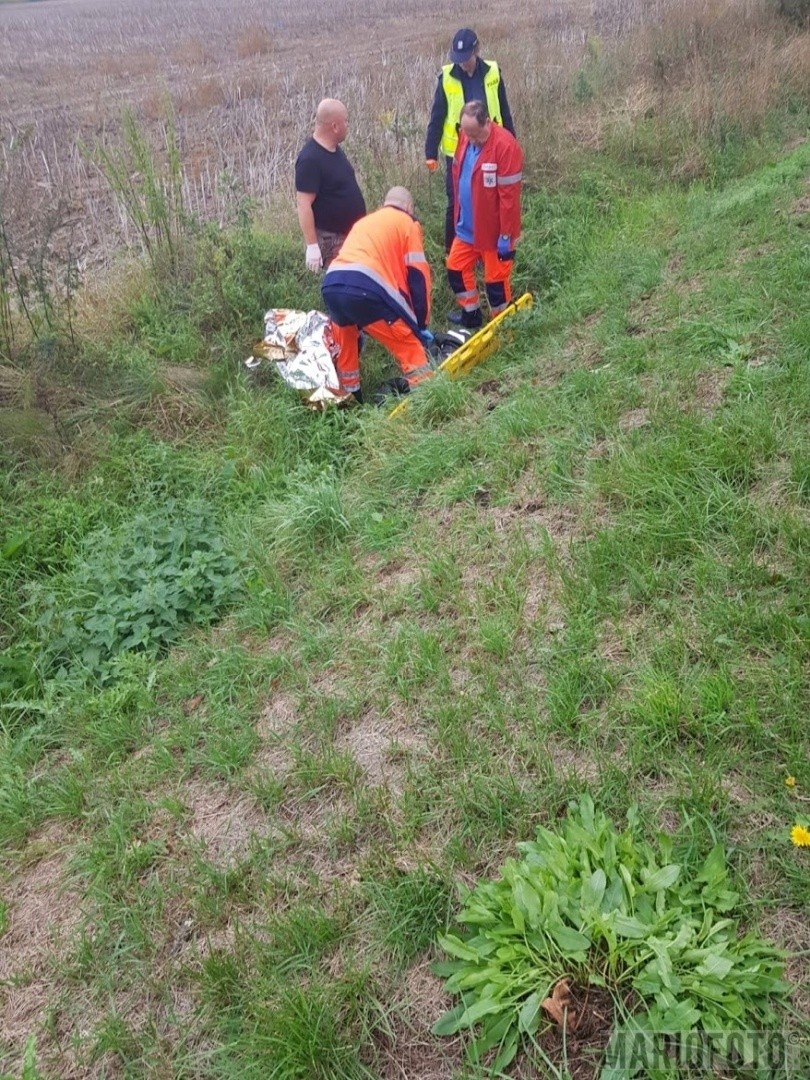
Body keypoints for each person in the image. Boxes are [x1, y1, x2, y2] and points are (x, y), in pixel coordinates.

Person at [321, 187, 433, 403]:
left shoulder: (364, 222)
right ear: (408, 207)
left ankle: (351, 404)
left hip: (332, 284)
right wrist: (421, 323)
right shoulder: (407, 223)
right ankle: (427, 401)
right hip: (365, 287)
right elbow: (418, 276)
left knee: (347, 352)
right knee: (410, 346)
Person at [425, 29, 515, 253]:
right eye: (458, 59)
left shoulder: (492, 72)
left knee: (490, 199)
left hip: (491, 147)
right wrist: (430, 152)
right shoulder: (447, 77)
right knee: (456, 201)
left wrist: (512, 141)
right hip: (459, 152)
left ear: (476, 51)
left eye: (466, 58)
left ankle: (489, 247)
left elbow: (504, 108)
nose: (463, 64)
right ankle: (453, 252)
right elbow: (437, 116)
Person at [446, 101, 523, 330]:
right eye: (466, 134)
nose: (470, 140)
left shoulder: (505, 147)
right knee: (456, 269)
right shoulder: (465, 137)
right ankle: (472, 317)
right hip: (466, 228)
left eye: (475, 135)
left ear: (487, 122)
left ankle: (503, 327)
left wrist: (506, 235)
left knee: (496, 285)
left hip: (493, 232)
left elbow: (509, 198)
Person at [295, 98, 367, 272]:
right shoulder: (310, 159)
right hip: (332, 242)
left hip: (349, 237)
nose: (347, 125)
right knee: (341, 291)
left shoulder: (334, 149)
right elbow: (303, 204)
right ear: (334, 127)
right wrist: (312, 246)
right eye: (345, 121)